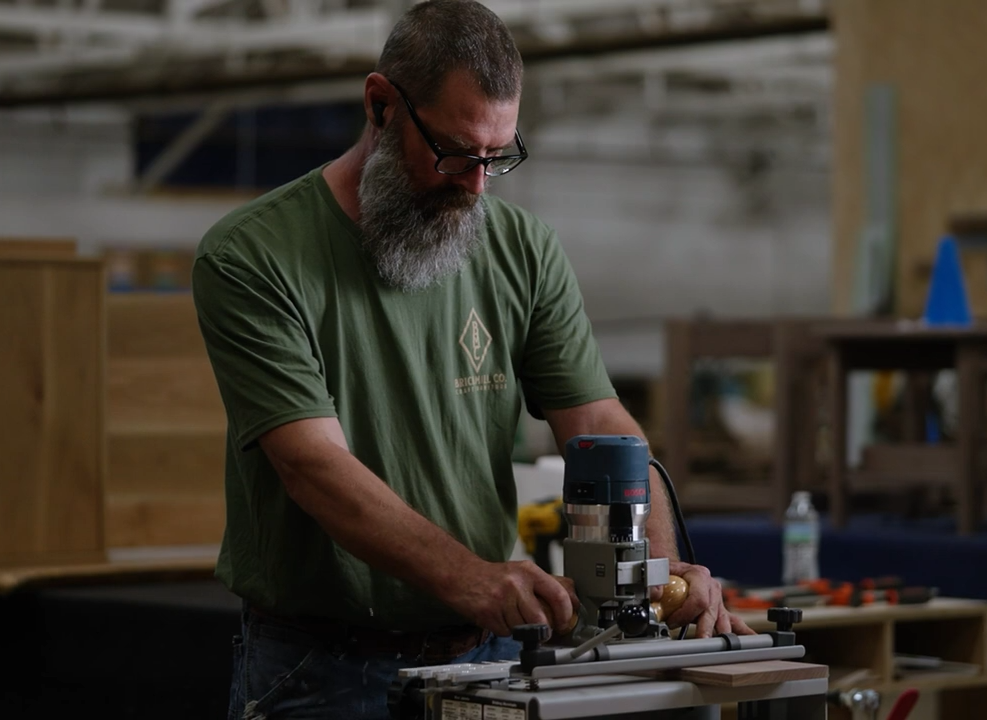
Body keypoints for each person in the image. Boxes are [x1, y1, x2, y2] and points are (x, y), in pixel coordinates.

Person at [191, 1, 753, 717]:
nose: (477, 184)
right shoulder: (253, 255)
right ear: (380, 106)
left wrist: (659, 569)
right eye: (456, 153)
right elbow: (313, 466)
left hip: (488, 656)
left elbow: (598, 426)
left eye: (497, 156)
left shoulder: (522, 248)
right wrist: (472, 578)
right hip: (320, 670)